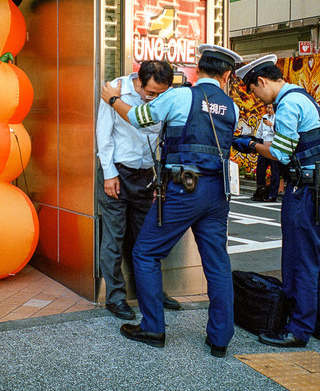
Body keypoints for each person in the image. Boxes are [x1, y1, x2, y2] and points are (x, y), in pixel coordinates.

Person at [100, 44, 242, 358]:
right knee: (218, 263)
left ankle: (153, 327)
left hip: (184, 190)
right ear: (227, 75)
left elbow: (138, 117)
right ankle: (220, 338)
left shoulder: (180, 97)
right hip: (218, 193)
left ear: (198, 69)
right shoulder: (231, 107)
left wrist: (112, 99)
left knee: (145, 252)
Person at [233, 54, 320, 348]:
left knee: (298, 260)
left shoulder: (288, 104)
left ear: (262, 81)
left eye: (254, 91)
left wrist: (250, 143)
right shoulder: (303, 97)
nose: (257, 98)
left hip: (306, 191)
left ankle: (298, 329)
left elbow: (280, 153)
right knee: (317, 259)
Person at [97, 60, 181, 320]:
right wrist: (109, 173)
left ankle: (152, 292)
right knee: (114, 239)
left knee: (148, 238)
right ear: (140, 81)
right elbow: (104, 134)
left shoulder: (167, 96)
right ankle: (115, 297)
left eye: (159, 94)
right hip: (117, 173)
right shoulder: (116, 90)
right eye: (150, 92)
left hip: (146, 175)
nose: (153, 98)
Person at [252, 104, 280, 202]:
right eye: (268, 107)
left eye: (271, 108)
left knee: (275, 172)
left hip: (273, 148)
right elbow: (259, 133)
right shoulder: (264, 117)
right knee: (260, 171)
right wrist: (255, 145)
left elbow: (280, 132)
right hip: (264, 147)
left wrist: (271, 125)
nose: (269, 110)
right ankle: (260, 193)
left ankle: (272, 195)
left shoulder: (278, 118)